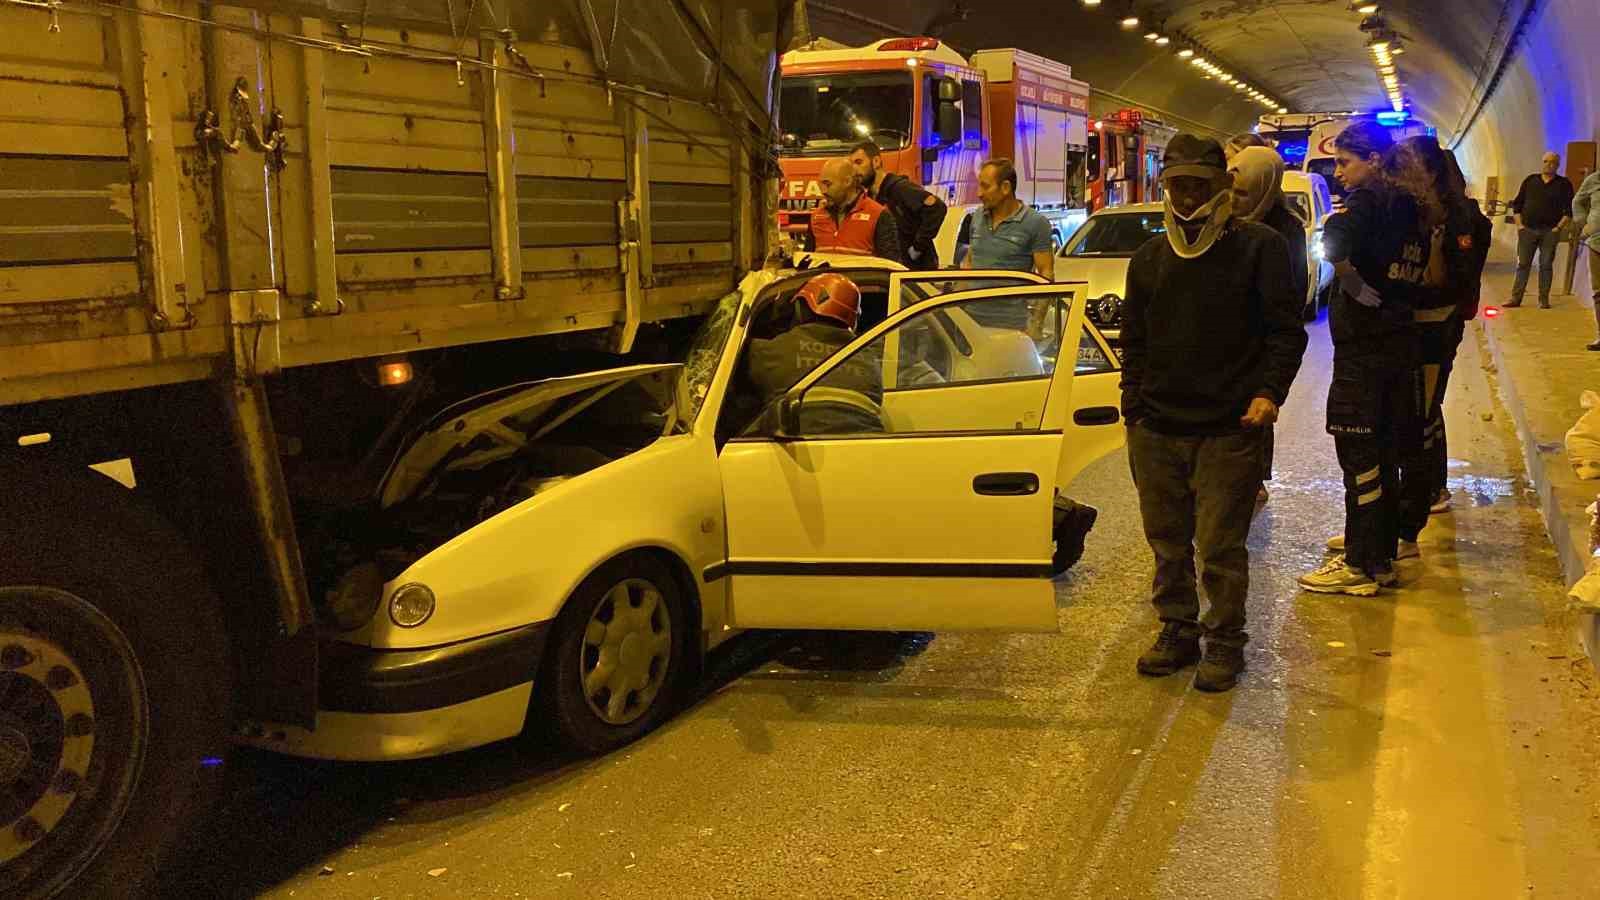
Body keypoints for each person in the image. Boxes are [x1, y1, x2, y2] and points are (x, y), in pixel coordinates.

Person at [1122, 134, 1308, 692]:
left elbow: (1284, 332)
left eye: (1197, 185)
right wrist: (1134, 406)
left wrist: (1268, 392)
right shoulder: (1150, 258)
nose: (1185, 196)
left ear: (1222, 185)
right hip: (1158, 427)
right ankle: (1177, 631)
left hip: (1230, 427)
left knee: (1220, 546)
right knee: (1167, 543)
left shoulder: (1260, 247)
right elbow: (1135, 339)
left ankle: (1225, 641)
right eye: (1177, 184)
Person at [1299, 121, 1430, 596]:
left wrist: (1348, 276)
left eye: (1344, 162)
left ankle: (1358, 562)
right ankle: (1380, 556)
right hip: (1399, 345)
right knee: (1385, 456)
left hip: (1363, 353)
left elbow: (1333, 237)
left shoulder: (1367, 203)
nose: (1338, 173)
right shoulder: (1413, 208)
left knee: (1358, 456)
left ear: (1373, 160)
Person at [1386, 137, 1492, 534]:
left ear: (1428, 173)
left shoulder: (1458, 218)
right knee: (1422, 409)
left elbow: (1450, 279)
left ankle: (1426, 496)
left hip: (1436, 326)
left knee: (1423, 412)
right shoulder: (1429, 212)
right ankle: (1426, 490)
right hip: (1425, 323)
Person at [1228, 146, 1308, 509]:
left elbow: (1293, 293)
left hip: (1261, 337)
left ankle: (1255, 475)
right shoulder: (1224, 222)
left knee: (1257, 408)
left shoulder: (1285, 231)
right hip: (1232, 335)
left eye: (1243, 193)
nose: (1234, 200)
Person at [746, 273, 882, 435]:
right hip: (869, 449)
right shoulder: (871, 361)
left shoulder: (769, 350)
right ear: (854, 319)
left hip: (796, 450)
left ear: (799, 310)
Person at [849, 141, 948, 270]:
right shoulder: (871, 196)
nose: (854, 170)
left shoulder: (900, 188)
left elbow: (937, 208)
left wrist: (917, 248)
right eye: (851, 165)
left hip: (916, 272)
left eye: (858, 162)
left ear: (876, 162)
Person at [1507, 151, 1575, 309]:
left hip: (1550, 232)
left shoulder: (1564, 184)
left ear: (1558, 165)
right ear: (1542, 162)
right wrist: (1520, 226)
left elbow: (1569, 210)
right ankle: (1515, 298)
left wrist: (1558, 228)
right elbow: (1517, 204)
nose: (1548, 164)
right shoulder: (1531, 180)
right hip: (1528, 230)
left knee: (1545, 265)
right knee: (1523, 264)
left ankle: (1543, 300)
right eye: (1546, 161)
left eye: (1552, 162)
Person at [801, 157, 902, 261]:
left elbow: (892, 267)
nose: (823, 191)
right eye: (821, 185)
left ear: (848, 181)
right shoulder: (815, 217)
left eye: (828, 184)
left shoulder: (878, 215)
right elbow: (806, 261)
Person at [1573, 169, 1600, 350]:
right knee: (1599, 292)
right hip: (1597, 242)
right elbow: (1577, 201)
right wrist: (1584, 223)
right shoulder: (1594, 180)